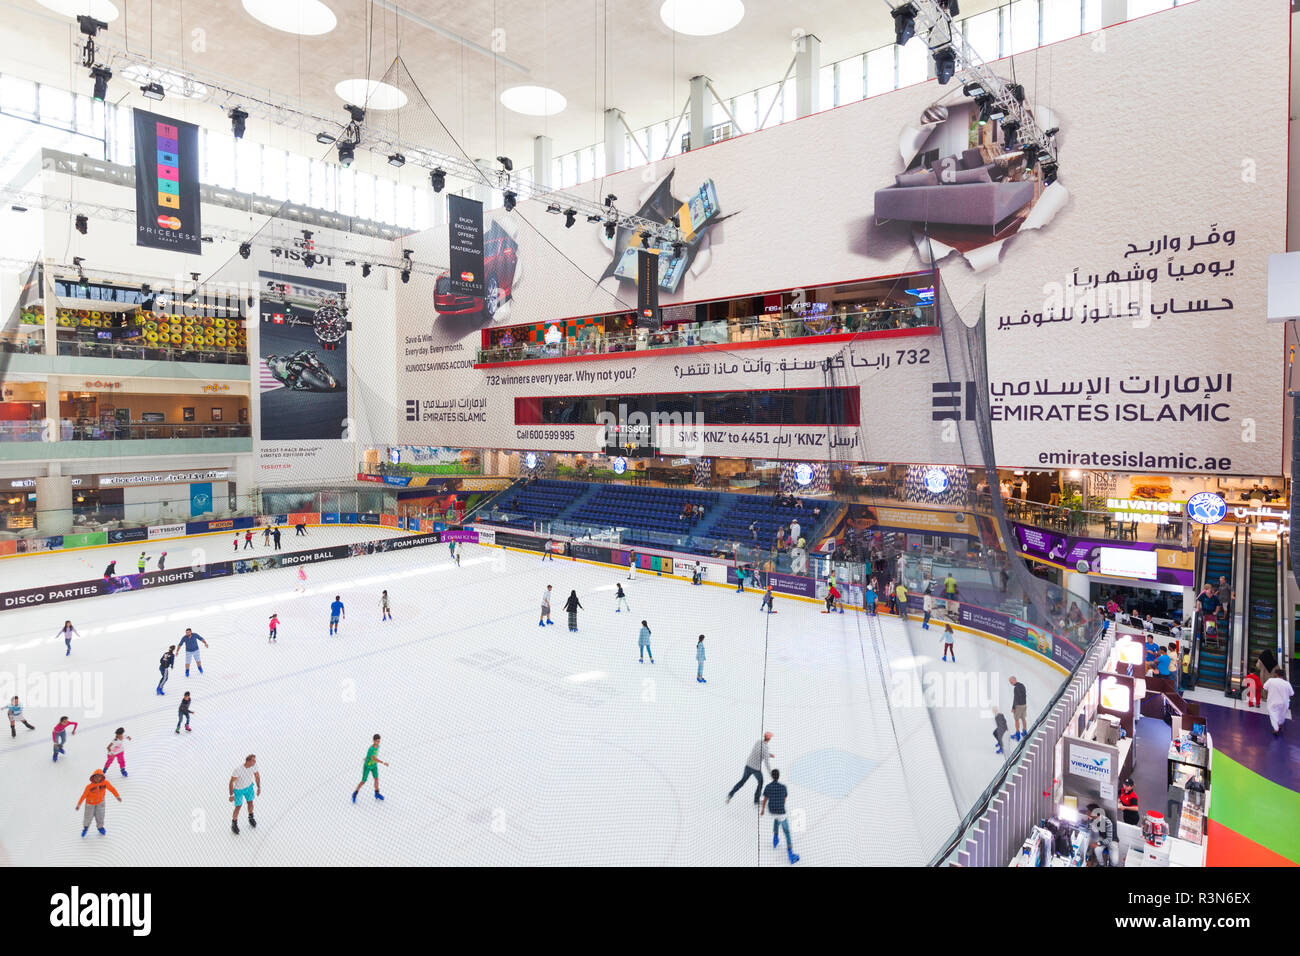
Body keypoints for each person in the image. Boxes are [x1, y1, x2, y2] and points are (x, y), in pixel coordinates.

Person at [761, 768, 799, 865]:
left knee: (777, 818)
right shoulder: (783, 787)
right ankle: (791, 855)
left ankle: (775, 838)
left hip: (771, 811)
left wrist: (762, 810)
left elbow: (764, 800)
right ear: (779, 776)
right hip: (780, 812)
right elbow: (784, 799)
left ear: (772, 776)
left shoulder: (768, 786)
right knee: (787, 832)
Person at [726, 732, 773, 805]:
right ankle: (756, 801)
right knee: (760, 782)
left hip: (748, 766)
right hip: (756, 769)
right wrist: (771, 774)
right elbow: (766, 763)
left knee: (742, 781)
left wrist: (769, 755)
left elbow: (759, 752)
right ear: (769, 739)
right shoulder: (766, 748)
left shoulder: (758, 742)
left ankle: (730, 795)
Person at [76, 767, 121, 838]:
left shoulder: (105, 783)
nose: (97, 778)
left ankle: (100, 827)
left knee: (100, 815)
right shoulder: (89, 787)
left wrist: (117, 796)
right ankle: (85, 828)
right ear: (93, 777)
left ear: (102, 777)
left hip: (100, 802)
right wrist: (79, 804)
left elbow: (112, 789)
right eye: (96, 777)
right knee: (88, 816)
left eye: (99, 777)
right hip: (90, 804)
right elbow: (83, 796)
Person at [352, 734, 389, 803]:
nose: (378, 742)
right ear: (373, 741)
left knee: (376, 779)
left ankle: (377, 793)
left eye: (379, 741)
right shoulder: (371, 749)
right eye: (377, 741)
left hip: (374, 766)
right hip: (367, 766)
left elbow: (373, 755)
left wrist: (367, 757)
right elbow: (374, 758)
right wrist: (383, 762)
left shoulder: (378, 746)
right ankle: (355, 793)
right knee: (363, 781)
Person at [229, 754, 260, 834]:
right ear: (248, 761)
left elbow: (257, 776)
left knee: (250, 802)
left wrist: (258, 787)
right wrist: (231, 795)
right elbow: (231, 782)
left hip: (249, 788)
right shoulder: (238, 770)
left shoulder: (254, 766)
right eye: (253, 760)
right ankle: (234, 823)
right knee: (238, 806)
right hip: (238, 790)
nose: (255, 762)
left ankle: (251, 817)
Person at [1263, 666, 1294, 737]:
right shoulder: (1287, 683)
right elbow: (1292, 693)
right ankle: (1280, 724)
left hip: (1273, 701)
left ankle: (1276, 729)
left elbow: (1265, 687)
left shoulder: (1271, 680)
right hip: (1284, 702)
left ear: (1276, 674)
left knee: (1273, 714)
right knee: (1282, 714)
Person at [1009, 676, 1027, 741]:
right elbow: (1024, 695)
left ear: (1014, 680)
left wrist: (1013, 707)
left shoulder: (1016, 688)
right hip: (1024, 705)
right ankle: (1024, 732)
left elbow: (1016, 698)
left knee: (1016, 720)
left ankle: (1017, 735)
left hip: (1018, 706)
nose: (1010, 683)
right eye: (1010, 682)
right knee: (1023, 718)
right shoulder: (1022, 685)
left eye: (1011, 681)